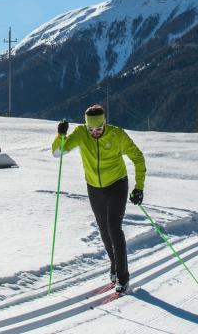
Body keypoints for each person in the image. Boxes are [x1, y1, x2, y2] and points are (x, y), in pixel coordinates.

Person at [53, 104, 146, 294]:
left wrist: (139, 187)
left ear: (105, 123)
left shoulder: (117, 135)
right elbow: (57, 152)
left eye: (98, 129)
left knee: (114, 227)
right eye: (91, 129)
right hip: (94, 187)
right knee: (103, 228)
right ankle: (114, 263)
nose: (95, 132)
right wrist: (60, 136)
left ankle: (123, 276)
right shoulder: (80, 133)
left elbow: (138, 157)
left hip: (117, 184)